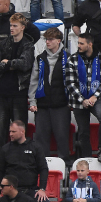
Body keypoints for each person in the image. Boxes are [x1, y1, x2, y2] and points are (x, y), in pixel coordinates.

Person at [0, 13, 34, 152]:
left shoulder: (28, 45)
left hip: (19, 93)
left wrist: (7, 63)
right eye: (10, 25)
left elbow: (25, 64)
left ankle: (20, 157)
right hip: (2, 93)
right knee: (0, 131)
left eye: (15, 26)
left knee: (20, 131)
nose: (11, 28)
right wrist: (12, 65)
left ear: (22, 27)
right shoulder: (3, 43)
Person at [66, 33, 101, 162]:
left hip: (96, 98)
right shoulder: (73, 59)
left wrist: (95, 96)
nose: (78, 46)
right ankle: (86, 158)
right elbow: (70, 83)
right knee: (83, 131)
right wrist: (82, 100)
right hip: (78, 100)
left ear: (89, 44)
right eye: (78, 43)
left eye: (81, 43)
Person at [29, 26, 70, 164]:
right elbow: (34, 81)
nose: (47, 42)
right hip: (43, 104)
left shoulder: (68, 58)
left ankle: (63, 164)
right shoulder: (40, 58)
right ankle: (42, 164)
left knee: (62, 136)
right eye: (46, 39)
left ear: (59, 41)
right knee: (41, 137)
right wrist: (32, 101)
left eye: (51, 39)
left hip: (61, 104)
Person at [0, 120, 53, 202]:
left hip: (30, 190)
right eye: (10, 131)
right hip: (11, 191)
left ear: (22, 132)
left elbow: (43, 169)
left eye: (13, 131)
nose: (10, 134)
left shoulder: (35, 147)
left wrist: (42, 189)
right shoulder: (5, 149)